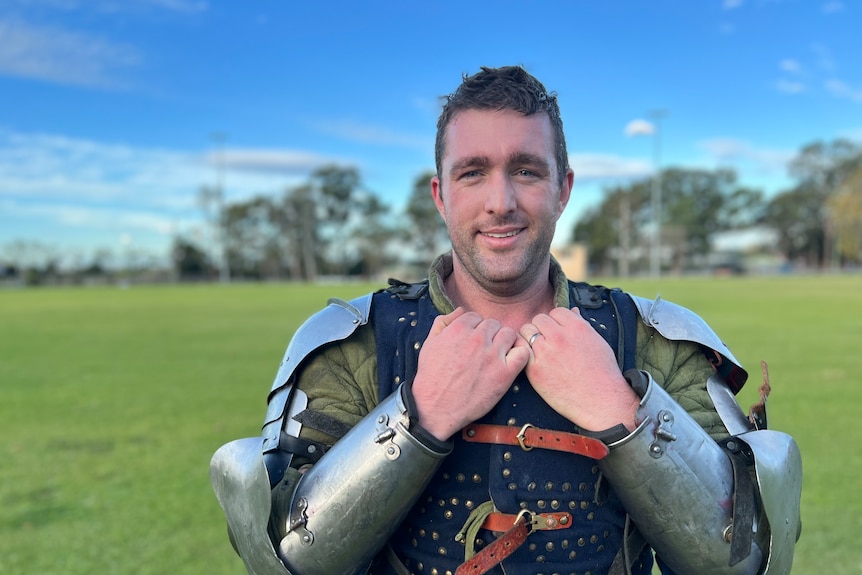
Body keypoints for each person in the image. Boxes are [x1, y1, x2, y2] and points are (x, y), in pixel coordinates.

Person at [211, 65, 802, 575]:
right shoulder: (351, 342)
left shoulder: (656, 339)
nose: (501, 202)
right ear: (441, 195)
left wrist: (623, 414)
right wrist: (420, 417)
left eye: (526, 170)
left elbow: (746, 556)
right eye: (473, 173)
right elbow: (285, 557)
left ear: (562, 188)